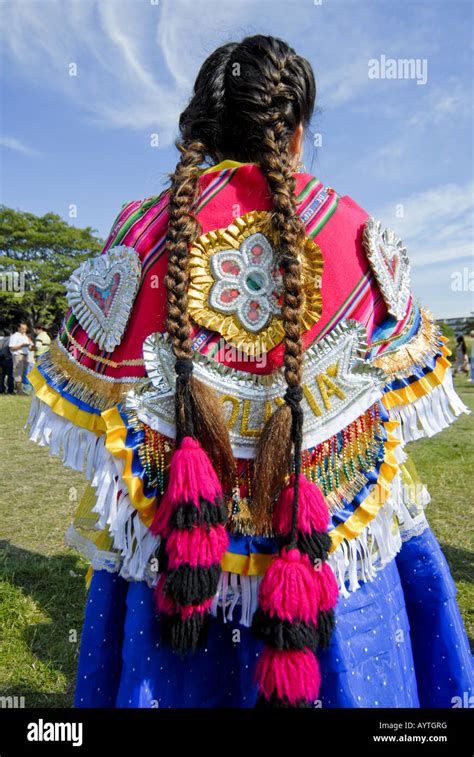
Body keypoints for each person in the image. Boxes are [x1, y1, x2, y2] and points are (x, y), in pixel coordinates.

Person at [26, 35, 473, 709]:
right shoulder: (355, 231)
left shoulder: (138, 233)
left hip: (178, 567)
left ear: (199, 132)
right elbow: (400, 397)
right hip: (327, 561)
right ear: (296, 133)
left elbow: (88, 406)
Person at [9, 322, 33, 395]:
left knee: (23, 373)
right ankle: (19, 391)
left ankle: (20, 390)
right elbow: (12, 348)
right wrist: (22, 345)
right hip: (18, 355)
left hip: (26, 356)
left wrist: (33, 347)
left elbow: (30, 348)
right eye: (22, 329)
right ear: (18, 328)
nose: (24, 330)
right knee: (18, 373)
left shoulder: (25, 336)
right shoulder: (15, 336)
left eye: (25, 329)